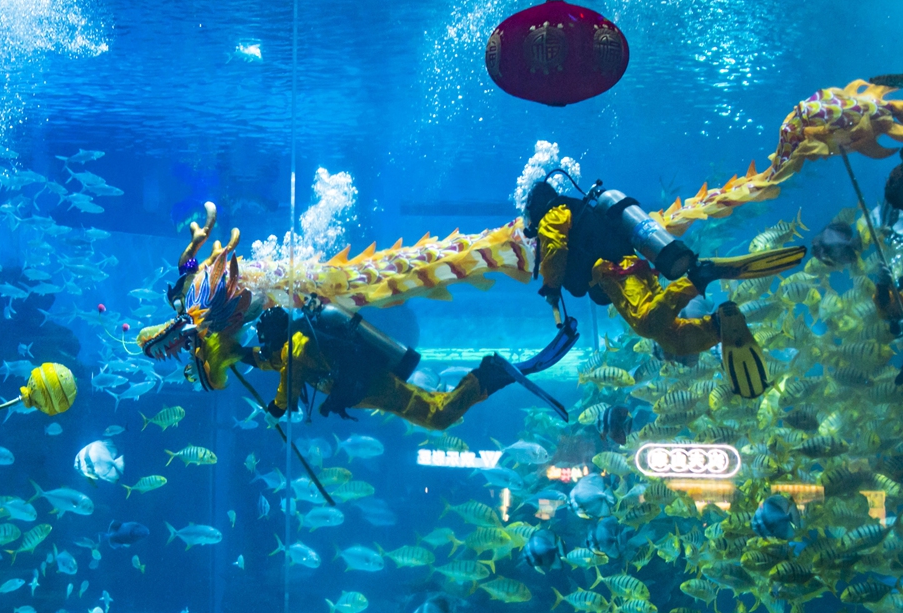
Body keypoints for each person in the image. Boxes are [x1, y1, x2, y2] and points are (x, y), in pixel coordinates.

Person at [522, 175, 806, 398]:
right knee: (673, 339)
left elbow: (555, 250)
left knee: (647, 324)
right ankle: (719, 326)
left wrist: (550, 287)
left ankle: (698, 278)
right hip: (635, 267)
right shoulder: (576, 207)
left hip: (613, 272)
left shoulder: (553, 215)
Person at [244, 299, 577, 430]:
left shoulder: (296, 347)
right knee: (436, 409)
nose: (266, 346)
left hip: (374, 385)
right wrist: (243, 356)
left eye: (265, 339)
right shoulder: (293, 344)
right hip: (366, 387)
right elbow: (271, 361)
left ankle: (487, 373)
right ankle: (492, 377)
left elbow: (287, 379)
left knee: (438, 417)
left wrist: (275, 409)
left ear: (275, 334)